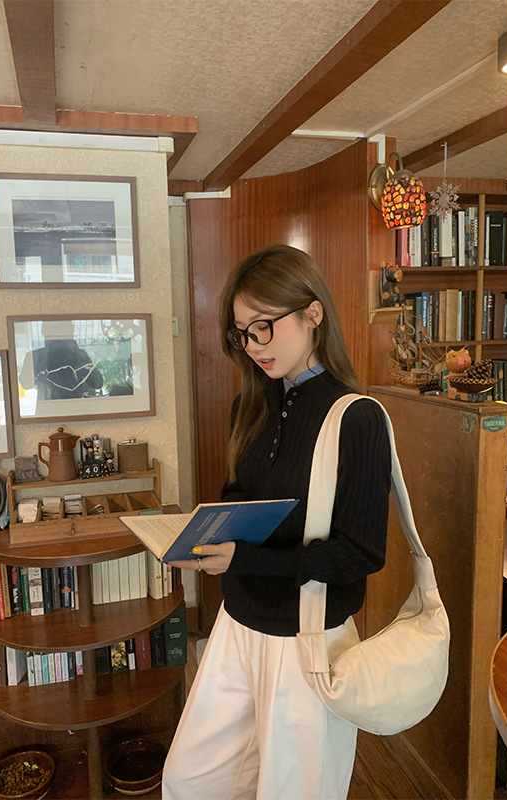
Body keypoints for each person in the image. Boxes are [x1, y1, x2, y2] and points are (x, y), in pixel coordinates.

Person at [162, 244, 392, 800]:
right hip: (237, 623)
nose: (253, 345)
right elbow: (239, 497)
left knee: (294, 789)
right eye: (242, 333)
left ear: (313, 313)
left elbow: (362, 553)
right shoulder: (250, 405)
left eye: (263, 326)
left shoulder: (356, 417)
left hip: (307, 637)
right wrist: (206, 537)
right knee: (190, 781)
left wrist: (247, 559)